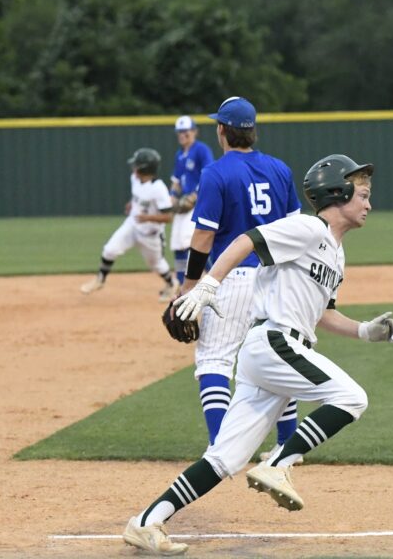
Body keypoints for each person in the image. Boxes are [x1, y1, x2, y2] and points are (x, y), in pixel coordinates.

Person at [122, 154, 393, 556]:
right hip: (274, 343)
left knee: (226, 457)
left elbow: (322, 313)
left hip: (271, 354)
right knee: (352, 397)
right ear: (337, 193)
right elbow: (245, 240)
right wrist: (207, 285)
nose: (368, 204)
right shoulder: (308, 228)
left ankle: (147, 521)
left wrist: (363, 331)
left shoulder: (336, 254)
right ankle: (278, 463)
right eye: (362, 195)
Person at [179, 96, 301, 450]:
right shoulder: (280, 169)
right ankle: (286, 445)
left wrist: (189, 288)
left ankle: (221, 446)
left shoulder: (215, 172)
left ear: (222, 131)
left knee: (214, 358)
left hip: (231, 277)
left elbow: (202, 238)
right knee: (274, 359)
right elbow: (295, 231)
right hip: (276, 279)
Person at [80, 148, 177, 301]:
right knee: (109, 250)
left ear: (145, 168)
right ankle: (100, 279)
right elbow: (138, 197)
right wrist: (132, 203)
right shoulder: (135, 178)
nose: (134, 168)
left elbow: (168, 217)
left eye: (137, 165)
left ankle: (171, 284)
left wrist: (147, 218)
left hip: (150, 235)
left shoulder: (158, 189)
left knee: (157, 265)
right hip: (132, 225)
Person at [167, 116, 214, 295]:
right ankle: (181, 285)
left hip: (197, 203)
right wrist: (172, 197)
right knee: (178, 244)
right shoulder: (179, 154)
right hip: (183, 205)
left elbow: (208, 173)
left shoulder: (201, 150)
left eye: (186, 131)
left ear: (194, 131)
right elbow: (176, 181)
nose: (183, 135)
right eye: (180, 132)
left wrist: (195, 195)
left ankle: (213, 277)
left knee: (193, 242)